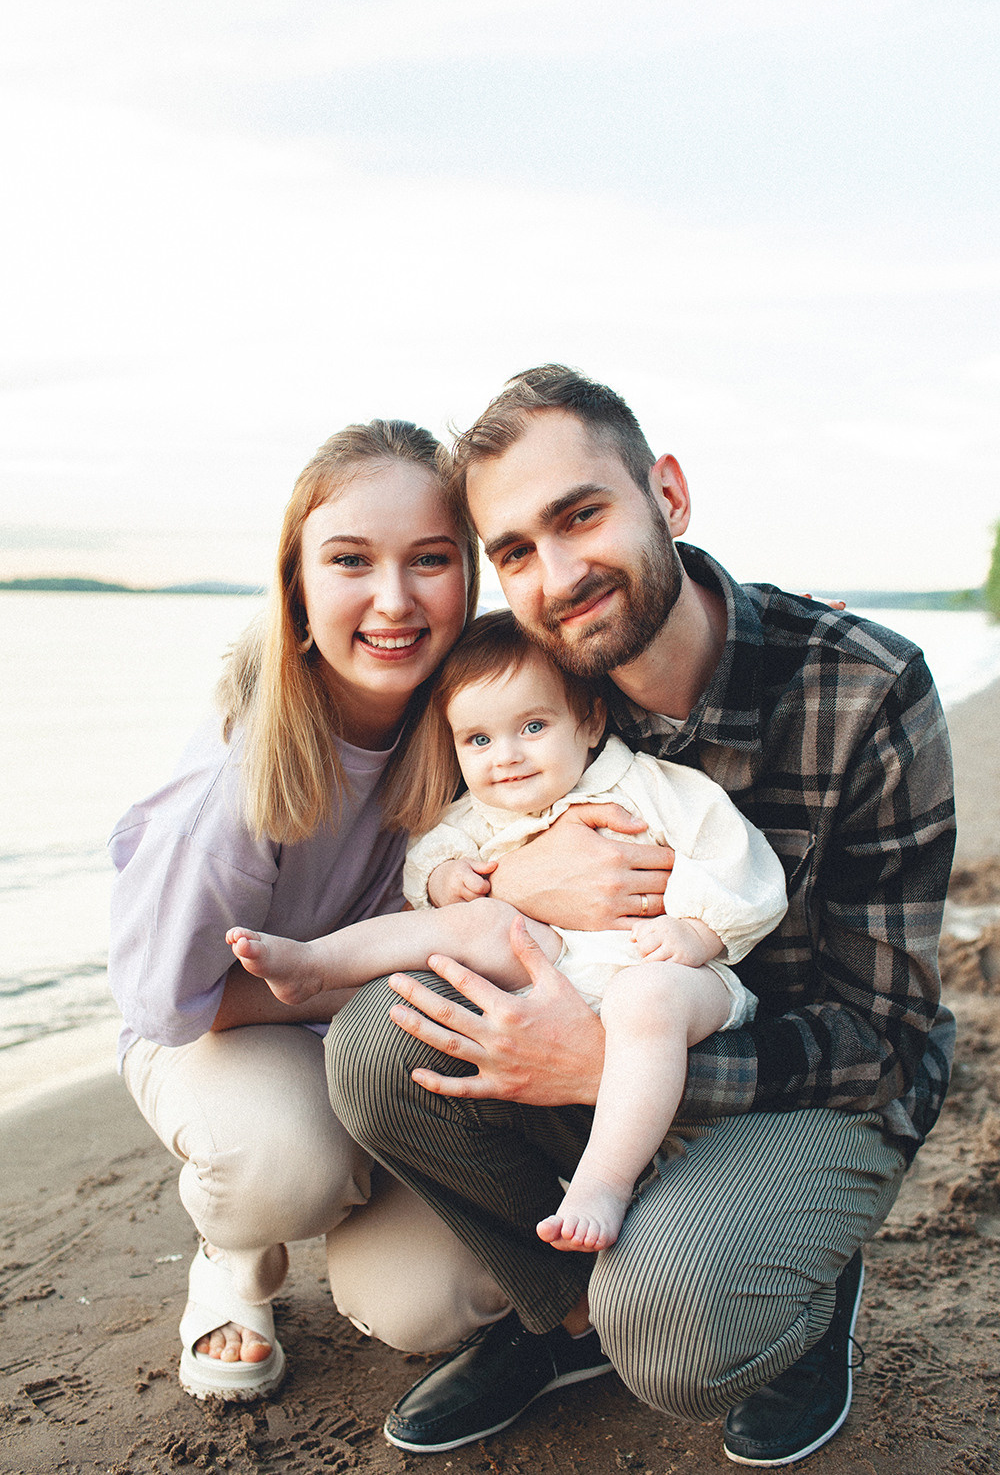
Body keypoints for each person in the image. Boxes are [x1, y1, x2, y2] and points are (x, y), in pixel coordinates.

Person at [325, 367, 956, 1465]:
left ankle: (803, 1295)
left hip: (809, 1088)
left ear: (666, 494)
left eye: (581, 515)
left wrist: (596, 1062)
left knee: (671, 1328)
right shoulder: (540, 690)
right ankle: (556, 1318)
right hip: (611, 1036)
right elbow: (447, 853)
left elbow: (888, 1042)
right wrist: (514, 885)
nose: (558, 575)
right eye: (514, 551)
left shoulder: (862, 689)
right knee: (374, 1044)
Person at [106, 420, 511, 1403]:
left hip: (371, 1037)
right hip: (221, 1033)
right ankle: (234, 1256)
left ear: (469, 575)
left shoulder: (481, 720)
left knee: (435, 1302)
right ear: (298, 587)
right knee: (284, 1164)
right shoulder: (240, 789)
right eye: (349, 560)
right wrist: (343, 971)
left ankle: (355, 1181)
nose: (393, 599)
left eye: (429, 560)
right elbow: (169, 1007)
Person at [225, 609, 788, 1253]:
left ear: (590, 721)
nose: (508, 758)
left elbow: (740, 865)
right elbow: (429, 862)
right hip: (554, 974)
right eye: (479, 741)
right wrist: (446, 880)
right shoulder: (481, 813)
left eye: (532, 727)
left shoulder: (652, 788)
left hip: (669, 975)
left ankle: (603, 1182)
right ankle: (317, 965)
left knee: (646, 1001)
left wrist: (698, 934)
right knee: (484, 921)